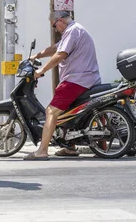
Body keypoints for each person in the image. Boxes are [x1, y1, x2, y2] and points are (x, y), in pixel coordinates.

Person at [24, 11, 101, 160]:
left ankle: (42, 151)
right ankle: (70, 147)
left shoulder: (72, 31)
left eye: (54, 26)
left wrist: (41, 70)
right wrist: (36, 56)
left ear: (60, 21)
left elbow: (60, 55)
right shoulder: (73, 30)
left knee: (51, 112)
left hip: (76, 80)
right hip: (84, 79)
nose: (54, 29)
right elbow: (55, 49)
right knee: (66, 113)